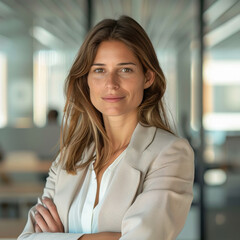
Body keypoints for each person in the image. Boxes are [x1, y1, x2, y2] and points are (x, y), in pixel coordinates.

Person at [18, 15, 194, 240]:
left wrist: (61, 238)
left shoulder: (171, 153)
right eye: (99, 70)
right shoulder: (69, 156)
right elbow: (27, 238)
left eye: (125, 69)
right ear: (87, 79)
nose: (111, 83)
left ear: (148, 77)